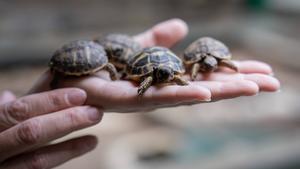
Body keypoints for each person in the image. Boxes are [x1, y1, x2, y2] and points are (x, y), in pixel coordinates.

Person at [0, 19, 280, 169]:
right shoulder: (146, 76)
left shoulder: (173, 72)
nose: (163, 79)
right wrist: (145, 86)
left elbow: (174, 74)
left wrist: (183, 81)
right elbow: (146, 81)